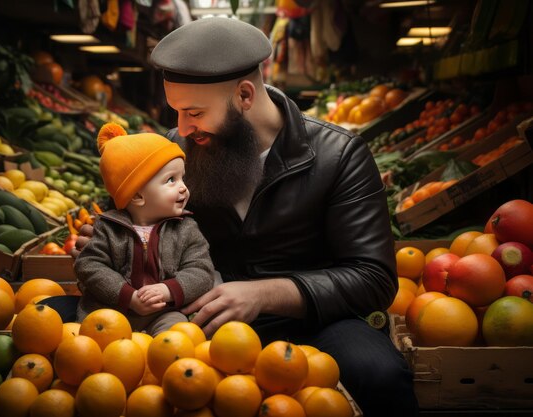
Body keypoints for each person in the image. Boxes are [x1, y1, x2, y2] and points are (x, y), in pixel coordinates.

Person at [74, 17, 418, 416]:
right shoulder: (170, 151)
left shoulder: (339, 156)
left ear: (244, 96)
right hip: (190, 311)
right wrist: (108, 242)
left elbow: (373, 279)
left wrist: (263, 293)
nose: (182, 129)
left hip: (315, 321)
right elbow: (125, 228)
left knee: (380, 375)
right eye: (177, 113)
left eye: (194, 112)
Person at [73, 123, 215, 336]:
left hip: (163, 312)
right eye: (171, 180)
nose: (183, 187)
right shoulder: (109, 228)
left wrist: (168, 290)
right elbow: (90, 266)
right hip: (112, 310)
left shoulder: (186, 229)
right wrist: (128, 296)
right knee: (98, 337)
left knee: (177, 333)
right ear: (137, 196)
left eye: (182, 177)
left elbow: (201, 270)